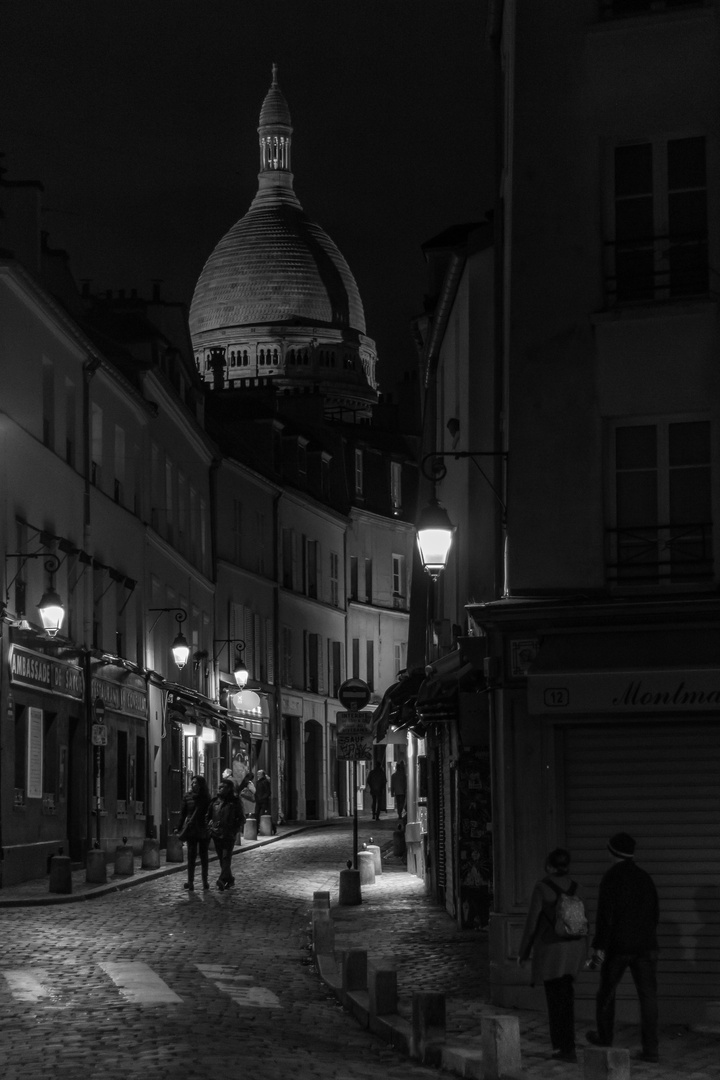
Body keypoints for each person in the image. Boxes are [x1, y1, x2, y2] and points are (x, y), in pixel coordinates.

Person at [586, 832, 660, 1065]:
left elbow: (606, 916)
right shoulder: (644, 878)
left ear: (612, 852)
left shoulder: (611, 878)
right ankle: (651, 1050)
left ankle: (605, 1037)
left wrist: (599, 947)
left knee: (606, 992)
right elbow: (655, 912)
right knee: (648, 997)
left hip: (619, 946)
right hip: (646, 946)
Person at [517, 848, 587, 1064]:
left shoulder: (542, 887)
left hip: (552, 950)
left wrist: (523, 952)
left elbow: (531, 924)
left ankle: (562, 1048)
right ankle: (569, 1046)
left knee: (555, 1000)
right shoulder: (576, 887)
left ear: (549, 865)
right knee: (567, 998)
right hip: (573, 949)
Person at [206, 778, 244, 890]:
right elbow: (208, 816)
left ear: (228, 789)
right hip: (216, 834)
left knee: (226, 857)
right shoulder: (214, 802)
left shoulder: (234, 802)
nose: (219, 788)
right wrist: (210, 827)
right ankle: (230, 879)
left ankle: (221, 879)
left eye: (222, 787)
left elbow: (241, 818)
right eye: (219, 786)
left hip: (228, 834)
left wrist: (234, 829)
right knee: (222, 859)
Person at [176, 775, 211, 891]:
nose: (192, 784)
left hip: (202, 828)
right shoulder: (187, 796)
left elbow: (210, 814)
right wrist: (178, 827)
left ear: (200, 785)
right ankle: (190, 882)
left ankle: (204, 881)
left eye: (195, 782)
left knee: (203, 856)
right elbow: (183, 813)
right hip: (191, 829)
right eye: (192, 782)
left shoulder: (206, 798)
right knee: (191, 856)